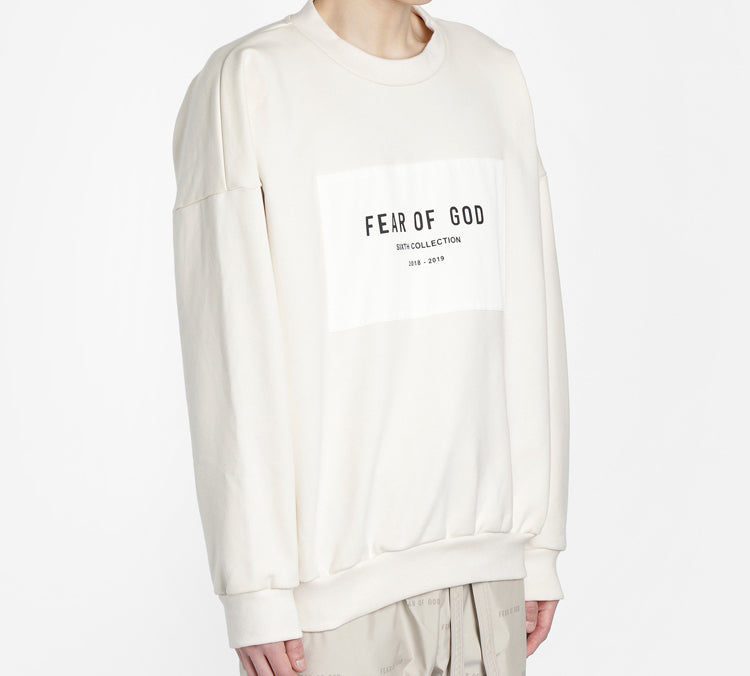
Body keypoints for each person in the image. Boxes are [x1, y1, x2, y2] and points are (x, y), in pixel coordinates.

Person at [171, 0, 570, 673]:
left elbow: (534, 317)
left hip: (489, 576)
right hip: (330, 608)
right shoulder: (251, 81)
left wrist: (538, 546)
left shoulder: (491, 74)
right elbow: (232, 348)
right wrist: (256, 588)